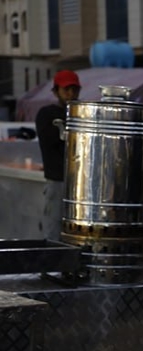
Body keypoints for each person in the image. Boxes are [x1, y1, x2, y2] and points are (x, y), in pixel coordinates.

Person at [35, 70, 81, 241]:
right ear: (56, 91)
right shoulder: (47, 114)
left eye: (74, 89)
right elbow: (50, 140)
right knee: (54, 232)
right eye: (66, 89)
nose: (71, 93)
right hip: (58, 181)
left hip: (80, 184)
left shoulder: (81, 114)